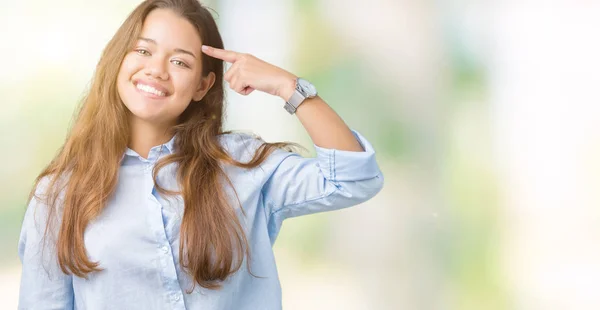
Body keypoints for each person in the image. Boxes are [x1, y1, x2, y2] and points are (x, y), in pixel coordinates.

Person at [17, 0, 384, 309]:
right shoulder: (59, 195)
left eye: (180, 62)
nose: (156, 70)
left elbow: (355, 178)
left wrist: (289, 87)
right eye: (143, 51)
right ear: (117, 61)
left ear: (202, 86)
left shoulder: (241, 165)